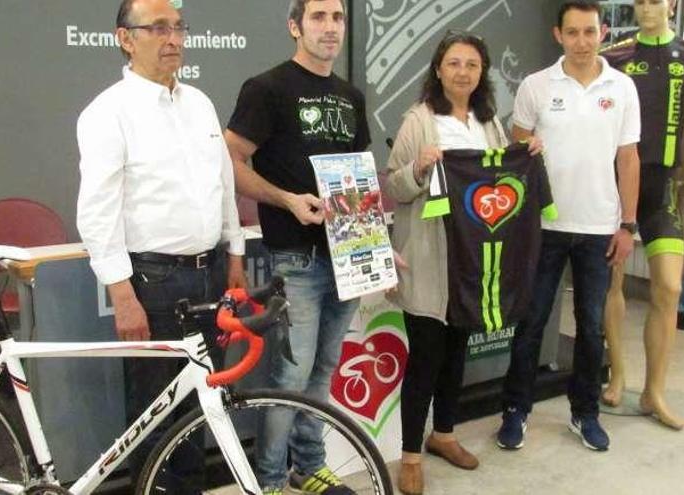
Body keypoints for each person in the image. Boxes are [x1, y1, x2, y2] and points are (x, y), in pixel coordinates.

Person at [75, 0, 246, 490]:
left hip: (211, 273)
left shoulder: (201, 103)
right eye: (157, 29)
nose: (173, 39)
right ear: (125, 39)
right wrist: (122, 295)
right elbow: (97, 211)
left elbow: (223, 186)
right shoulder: (108, 113)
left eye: (178, 28)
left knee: (200, 407)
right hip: (153, 284)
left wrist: (234, 254)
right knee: (153, 414)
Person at [384, 31, 543, 494]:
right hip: (432, 260)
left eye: (472, 65)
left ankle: (444, 434)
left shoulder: (489, 122)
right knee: (426, 358)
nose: (462, 72)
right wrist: (418, 168)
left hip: (473, 260)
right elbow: (394, 186)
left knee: (457, 354)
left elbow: (502, 174)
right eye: (454, 63)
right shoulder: (419, 120)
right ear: (438, 69)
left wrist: (527, 154)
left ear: (482, 73)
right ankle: (411, 456)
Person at [223, 0, 370, 493]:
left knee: (323, 370)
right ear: (294, 26)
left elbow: (359, 177)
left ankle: (308, 467)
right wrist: (286, 199)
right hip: (295, 257)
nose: (330, 28)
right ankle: (266, 482)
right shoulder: (266, 89)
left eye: (337, 18)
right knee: (289, 377)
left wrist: (378, 242)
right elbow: (233, 161)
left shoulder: (351, 96)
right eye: (318, 17)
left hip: (348, 255)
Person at [497, 0, 641, 453]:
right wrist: (526, 147)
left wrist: (627, 225)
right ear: (558, 35)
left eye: (590, 32)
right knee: (531, 322)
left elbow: (628, 159)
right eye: (573, 32)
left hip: (600, 226)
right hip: (543, 225)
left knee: (591, 325)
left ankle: (586, 413)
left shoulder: (621, 87)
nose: (582, 41)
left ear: (603, 34)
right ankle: (515, 411)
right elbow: (515, 152)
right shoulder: (536, 87)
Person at [601, 0, 684, 430]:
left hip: (664, 189)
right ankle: (617, 372)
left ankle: (655, 391)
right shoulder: (612, 58)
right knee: (610, 284)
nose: (647, 7)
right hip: (617, 190)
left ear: (671, 4)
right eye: (640, 0)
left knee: (669, 288)